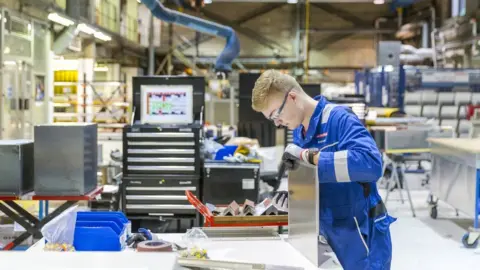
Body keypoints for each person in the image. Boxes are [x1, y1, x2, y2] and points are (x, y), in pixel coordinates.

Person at [251, 70, 396, 270]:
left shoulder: (339, 119)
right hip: (326, 233)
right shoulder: (299, 130)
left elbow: (371, 163)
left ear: (292, 97)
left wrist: (311, 157)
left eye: (277, 114)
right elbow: (316, 178)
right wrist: (296, 195)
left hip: (360, 235)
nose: (277, 123)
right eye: (271, 119)